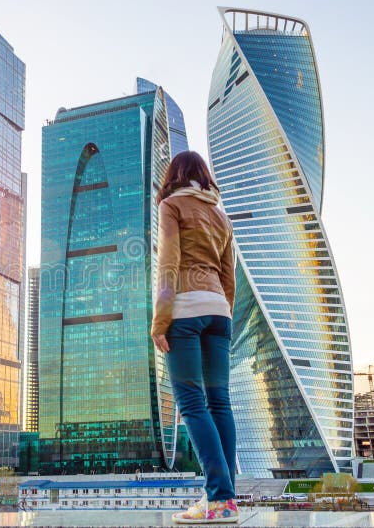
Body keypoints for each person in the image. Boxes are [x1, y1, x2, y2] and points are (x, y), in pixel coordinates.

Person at [151, 150, 238, 524]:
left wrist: (160, 319)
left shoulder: (172, 205)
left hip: (185, 311)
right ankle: (224, 499)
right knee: (220, 403)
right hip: (219, 310)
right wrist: (224, 311)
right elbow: (228, 273)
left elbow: (168, 263)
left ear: (174, 175)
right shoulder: (221, 215)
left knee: (191, 404)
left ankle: (219, 499)